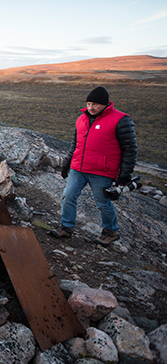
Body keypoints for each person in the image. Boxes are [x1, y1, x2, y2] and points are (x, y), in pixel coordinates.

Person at [51, 86, 137, 246]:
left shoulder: (121, 120)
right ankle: (66, 227)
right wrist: (67, 163)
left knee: (102, 202)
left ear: (105, 104)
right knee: (68, 196)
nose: (90, 107)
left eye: (95, 104)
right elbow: (75, 144)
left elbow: (130, 150)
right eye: (89, 103)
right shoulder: (81, 119)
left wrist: (125, 174)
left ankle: (111, 231)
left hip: (102, 171)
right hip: (78, 168)